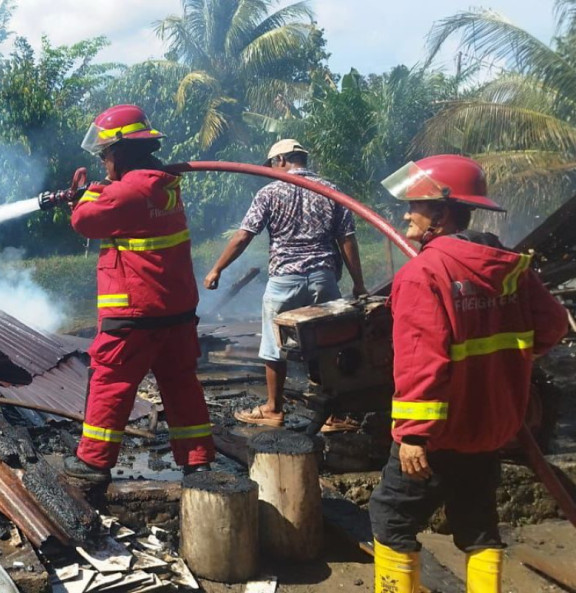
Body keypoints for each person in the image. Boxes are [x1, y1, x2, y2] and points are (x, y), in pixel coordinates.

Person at [368, 155, 569, 593]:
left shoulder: (424, 273)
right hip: (492, 427)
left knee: (391, 519)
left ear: (441, 213)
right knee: (478, 526)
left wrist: (414, 433)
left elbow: (423, 359)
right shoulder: (510, 267)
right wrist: (503, 366)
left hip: (438, 434)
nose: (406, 213)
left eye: (415, 206)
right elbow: (553, 326)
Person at [60, 104, 216, 487]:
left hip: (134, 313)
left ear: (123, 150)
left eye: (106, 154)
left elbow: (84, 221)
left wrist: (84, 195)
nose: (104, 161)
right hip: (176, 311)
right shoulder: (163, 186)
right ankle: (197, 461)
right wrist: (97, 191)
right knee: (181, 382)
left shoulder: (126, 193)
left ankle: (94, 462)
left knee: (111, 381)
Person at [204, 139, 366, 428]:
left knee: (273, 343)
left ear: (281, 160)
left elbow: (244, 236)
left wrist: (217, 269)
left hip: (284, 280)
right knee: (328, 343)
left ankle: (274, 409)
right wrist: (359, 284)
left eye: (271, 165)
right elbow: (347, 240)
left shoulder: (270, 192)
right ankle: (333, 414)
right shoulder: (330, 190)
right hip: (322, 278)